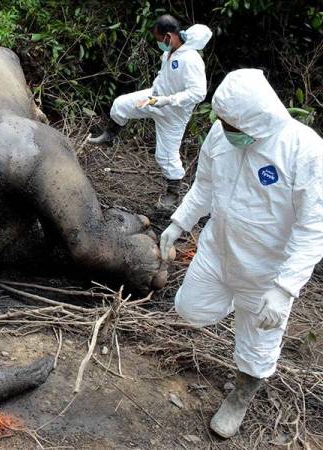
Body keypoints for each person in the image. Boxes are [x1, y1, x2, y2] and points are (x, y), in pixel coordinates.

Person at [159, 68, 323, 438]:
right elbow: (203, 187)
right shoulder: (222, 134)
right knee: (190, 308)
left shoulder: (304, 150)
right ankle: (233, 301)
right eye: (222, 120)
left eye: (232, 122)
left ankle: (241, 396)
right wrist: (178, 223)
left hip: (266, 271)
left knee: (258, 341)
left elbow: (313, 229)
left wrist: (284, 290)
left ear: (258, 118)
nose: (223, 127)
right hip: (218, 249)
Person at [88, 15, 212, 209]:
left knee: (165, 156)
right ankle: (109, 136)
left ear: (169, 36)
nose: (157, 42)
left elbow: (198, 93)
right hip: (153, 97)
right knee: (120, 105)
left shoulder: (191, 60)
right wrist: (156, 95)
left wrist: (166, 101)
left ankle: (173, 193)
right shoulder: (171, 49)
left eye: (158, 38)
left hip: (173, 113)